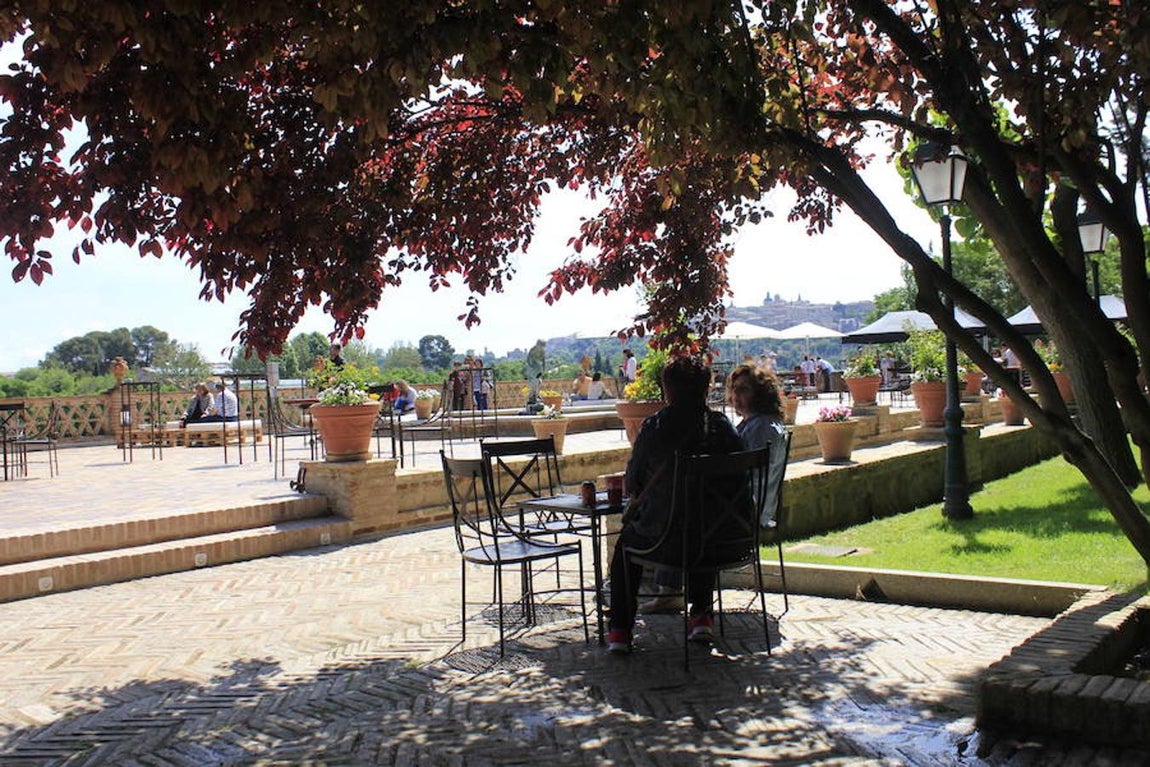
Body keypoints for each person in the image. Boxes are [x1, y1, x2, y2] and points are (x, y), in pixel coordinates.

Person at [606, 356, 745, 653]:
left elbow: (632, 483)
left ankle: (619, 630)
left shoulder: (654, 428)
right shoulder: (724, 428)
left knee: (626, 547)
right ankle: (701, 617)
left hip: (665, 540)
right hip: (727, 539)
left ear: (667, 391)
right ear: (706, 389)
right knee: (703, 518)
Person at [728, 364, 789, 525]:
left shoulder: (760, 428)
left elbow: (745, 476)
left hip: (747, 510)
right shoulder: (766, 423)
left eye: (744, 389)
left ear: (760, 393)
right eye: (734, 388)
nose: (735, 394)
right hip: (759, 509)